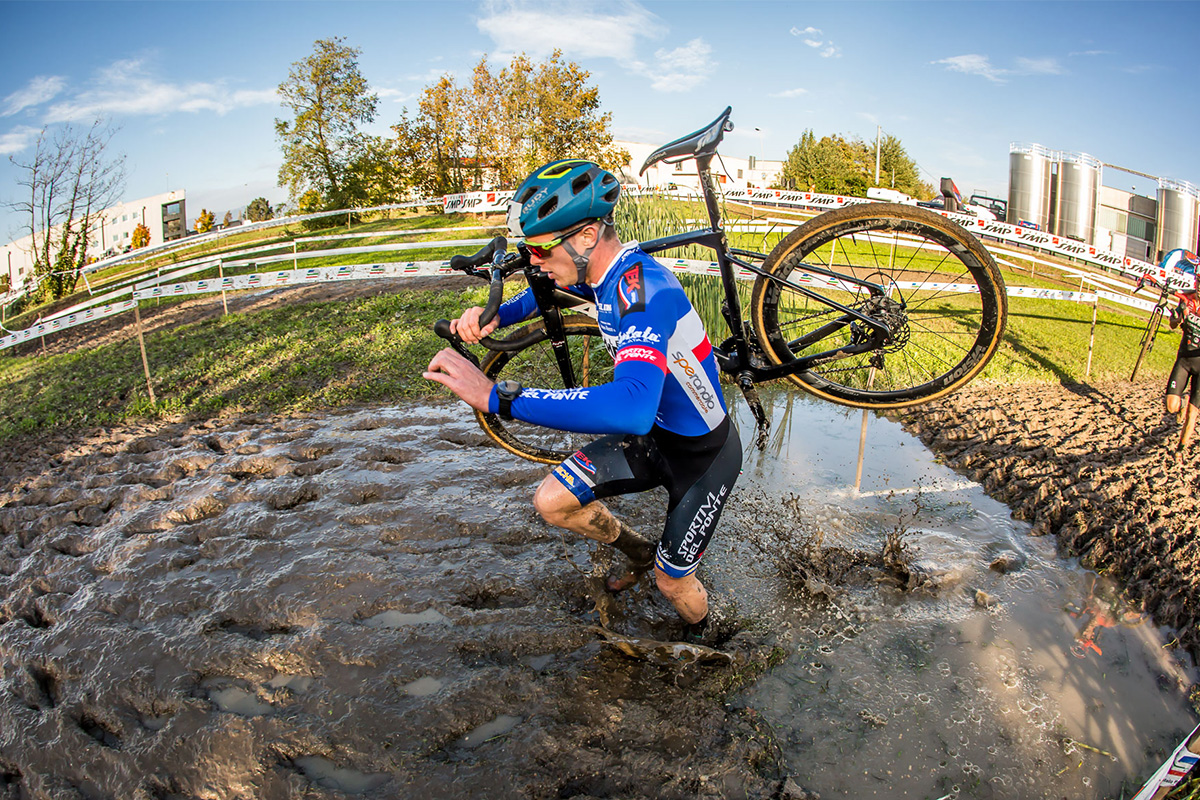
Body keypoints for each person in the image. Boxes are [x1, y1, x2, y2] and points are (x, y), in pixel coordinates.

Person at [423, 159, 742, 644]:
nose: (532, 261)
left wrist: (499, 398)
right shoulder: (600, 272)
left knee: (672, 582)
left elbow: (632, 408)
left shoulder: (642, 291)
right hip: (657, 437)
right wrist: (495, 317)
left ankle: (712, 639)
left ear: (588, 236)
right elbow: (546, 291)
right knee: (552, 502)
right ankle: (639, 550)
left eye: (539, 249)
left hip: (704, 456)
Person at [1163, 249, 1200, 461]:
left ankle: (1181, 448)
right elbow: (1173, 324)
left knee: (1192, 415)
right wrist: (1178, 317)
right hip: (1185, 360)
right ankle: (1181, 403)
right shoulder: (1187, 300)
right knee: (1172, 406)